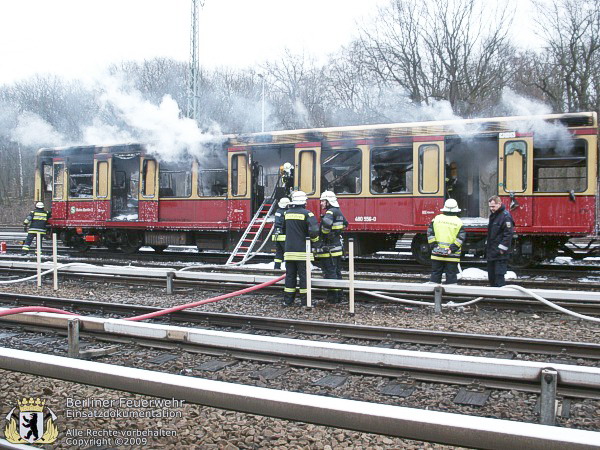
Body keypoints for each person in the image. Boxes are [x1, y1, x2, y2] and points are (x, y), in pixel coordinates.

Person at [281, 191, 319, 306]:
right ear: (304, 202)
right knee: (304, 277)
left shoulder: (286, 214)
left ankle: (288, 301)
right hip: (303, 252)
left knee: (290, 276)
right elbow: (314, 231)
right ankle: (305, 302)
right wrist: (315, 242)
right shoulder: (308, 214)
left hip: (289, 252)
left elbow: (283, 230)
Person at [315, 191, 348, 303]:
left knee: (330, 273)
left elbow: (326, 227)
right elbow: (345, 223)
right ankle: (339, 296)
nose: (321, 204)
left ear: (329, 202)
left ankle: (332, 298)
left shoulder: (329, 212)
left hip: (329, 248)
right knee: (337, 272)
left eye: (323, 201)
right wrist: (336, 232)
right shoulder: (338, 211)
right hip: (337, 247)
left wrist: (325, 234)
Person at [427, 198, 465, 284]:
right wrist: (451, 249)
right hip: (452, 255)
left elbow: (430, 234)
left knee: (435, 275)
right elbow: (461, 238)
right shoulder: (458, 222)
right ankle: (451, 296)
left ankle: (433, 295)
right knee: (451, 276)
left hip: (437, 253)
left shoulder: (436, 219)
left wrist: (434, 246)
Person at [486, 195, 515, 287]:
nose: (491, 209)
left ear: (499, 204)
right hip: (492, 252)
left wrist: (501, 250)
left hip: (499, 254)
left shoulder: (505, 216)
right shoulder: (494, 215)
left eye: (493, 206)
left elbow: (508, 234)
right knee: (492, 277)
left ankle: (499, 297)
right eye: (490, 206)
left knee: (499, 277)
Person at [272, 197, 290, 270]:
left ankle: (276, 267)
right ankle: (288, 268)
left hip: (277, 236)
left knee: (279, 253)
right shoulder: (286, 212)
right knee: (287, 252)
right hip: (284, 236)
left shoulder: (278, 211)